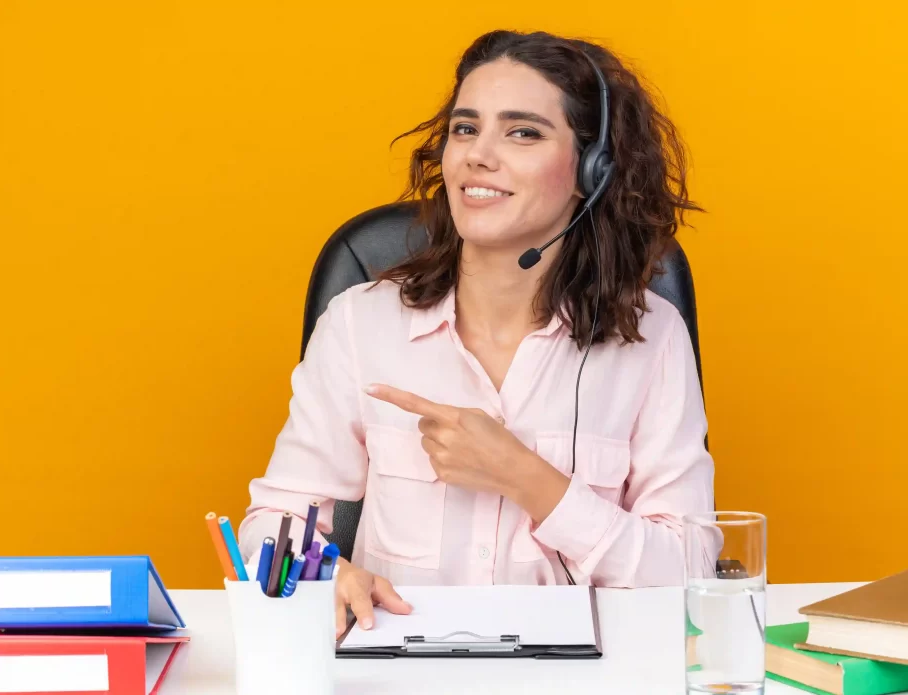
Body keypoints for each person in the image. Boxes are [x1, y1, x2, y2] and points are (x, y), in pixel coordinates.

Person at [238, 29, 714, 635]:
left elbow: (693, 568)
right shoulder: (362, 323)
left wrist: (525, 476)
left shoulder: (652, 337)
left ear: (590, 173)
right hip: (399, 670)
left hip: (581, 676)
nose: (477, 155)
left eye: (523, 132)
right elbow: (269, 525)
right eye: (466, 129)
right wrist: (321, 575)